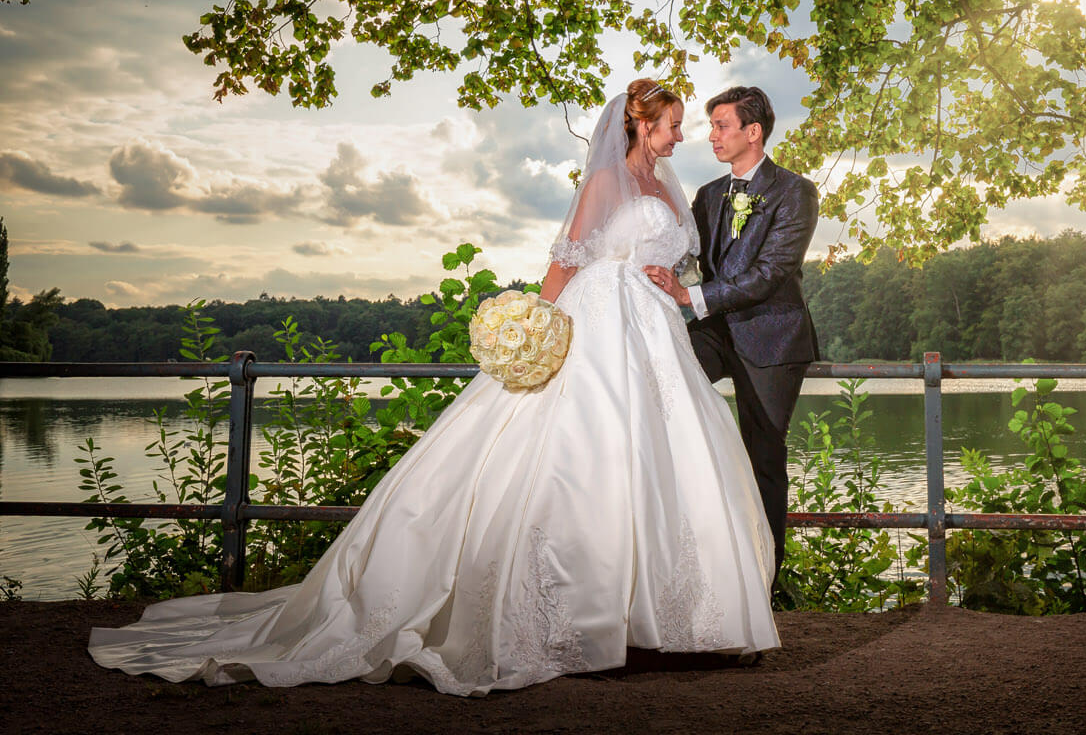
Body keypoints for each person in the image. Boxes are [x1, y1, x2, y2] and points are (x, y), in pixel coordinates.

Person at [88, 80, 779, 696]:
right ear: (638, 124)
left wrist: (677, 288)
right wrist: (536, 326)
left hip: (656, 331)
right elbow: (565, 260)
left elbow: (679, 264)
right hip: (600, 320)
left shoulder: (668, 188)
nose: (680, 135)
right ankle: (583, 618)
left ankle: (663, 616)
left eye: (684, 124)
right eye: (670, 124)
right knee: (581, 452)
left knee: (664, 460)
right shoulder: (605, 184)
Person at [643, 85, 819, 592]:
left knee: (763, 456)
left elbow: (771, 272)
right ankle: (681, 558)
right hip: (716, 333)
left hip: (774, 341)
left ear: (753, 132)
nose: (712, 136)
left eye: (721, 126)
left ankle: (763, 583)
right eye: (713, 126)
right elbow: (683, 253)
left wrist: (689, 297)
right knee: (658, 386)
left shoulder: (795, 191)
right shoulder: (710, 194)